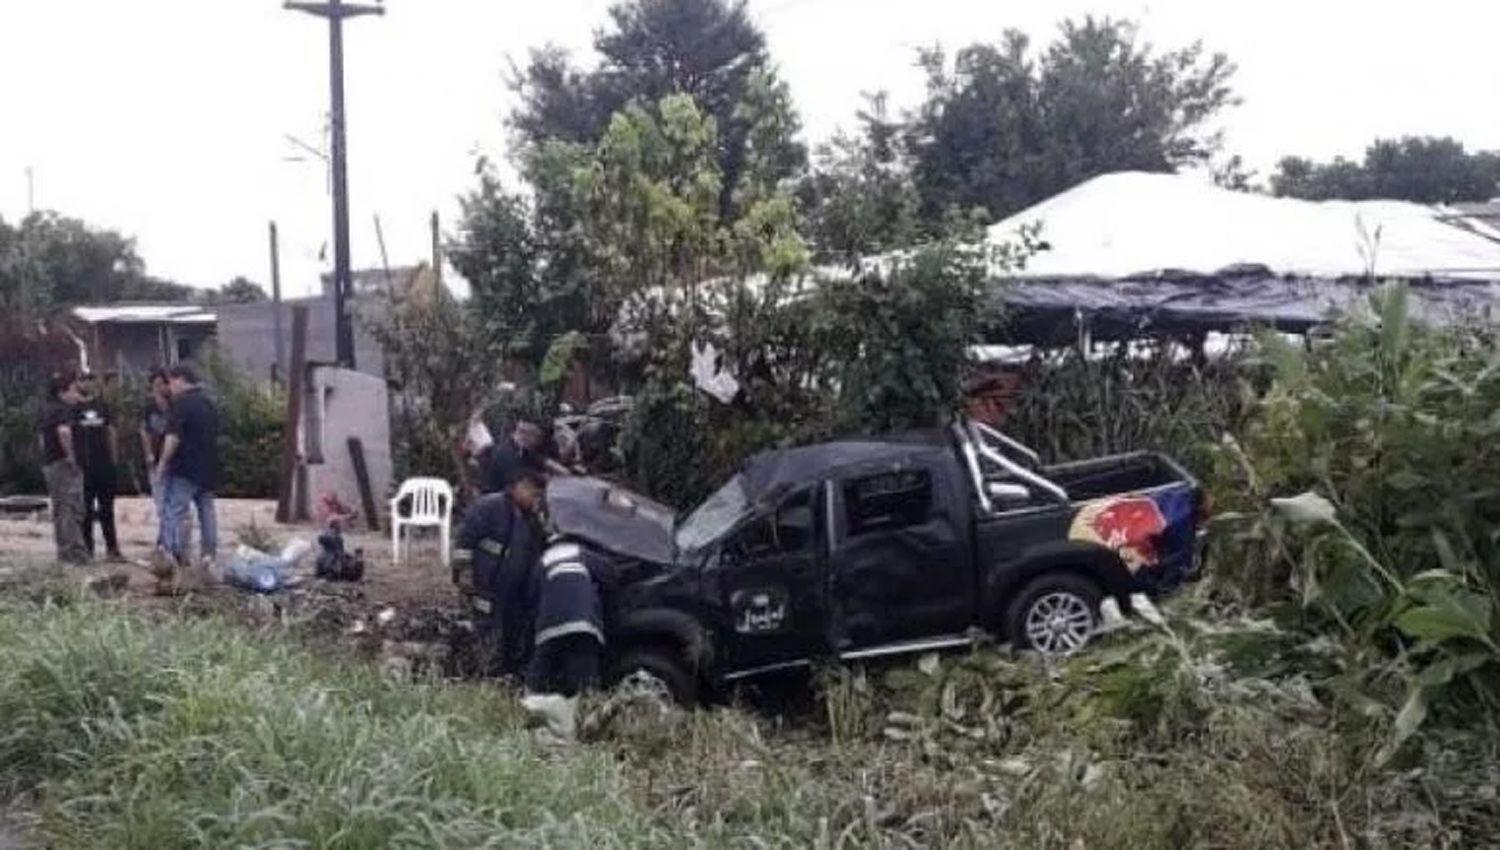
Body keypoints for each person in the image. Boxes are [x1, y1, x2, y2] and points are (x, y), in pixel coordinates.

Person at [453, 469, 547, 678]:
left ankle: (505, 675)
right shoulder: (489, 507)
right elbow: (464, 541)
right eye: (533, 493)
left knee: (512, 634)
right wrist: (464, 575)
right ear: (518, 487)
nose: (535, 499)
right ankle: (481, 675)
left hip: (514, 594)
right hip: (485, 587)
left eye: (539, 495)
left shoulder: (531, 520)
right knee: (486, 630)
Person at [521, 535, 608, 742]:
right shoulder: (582, 553)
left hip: (549, 627)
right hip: (584, 624)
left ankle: (526, 715)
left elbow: (531, 599)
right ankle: (585, 730)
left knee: (539, 673)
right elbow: (611, 575)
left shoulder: (542, 562)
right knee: (584, 681)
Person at [152, 363, 220, 593]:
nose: (169, 388)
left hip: (184, 469)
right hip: (208, 468)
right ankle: (208, 557)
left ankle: (170, 558)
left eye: (170, 382)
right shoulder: (208, 403)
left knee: (174, 511)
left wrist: (162, 464)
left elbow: (173, 438)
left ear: (180, 379)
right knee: (207, 512)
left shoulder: (181, 406)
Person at [37, 372, 89, 565]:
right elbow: (64, 431)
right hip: (63, 464)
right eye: (73, 389)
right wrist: (71, 457)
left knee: (59, 509)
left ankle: (64, 553)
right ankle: (76, 554)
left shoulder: (45, 409)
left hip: (50, 463)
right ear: (62, 392)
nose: (76, 394)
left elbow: (42, 439)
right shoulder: (62, 409)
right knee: (71, 507)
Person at [74, 372, 123, 561]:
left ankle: (112, 548)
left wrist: (114, 460)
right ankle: (88, 550)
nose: (86, 384)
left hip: (103, 465)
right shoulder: (73, 409)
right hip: (83, 467)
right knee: (85, 511)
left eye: (90, 380)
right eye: (82, 379)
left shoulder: (102, 407)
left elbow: (111, 432)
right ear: (77, 383)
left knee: (107, 510)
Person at [138, 368, 179, 550]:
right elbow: (144, 431)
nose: (159, 388)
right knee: (161, 501)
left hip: (174, 458)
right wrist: (148, 454)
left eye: (162, 384)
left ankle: (169, 539)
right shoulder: (148, 407)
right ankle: (164, 538)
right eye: (155, 385)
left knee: (174, 502)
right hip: (155, 457)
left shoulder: (176, 405)